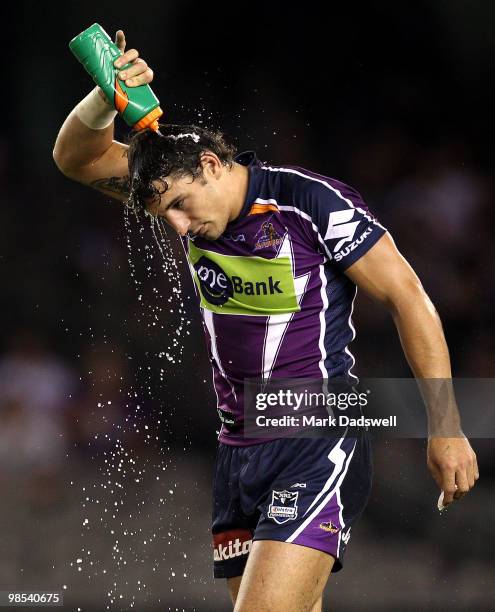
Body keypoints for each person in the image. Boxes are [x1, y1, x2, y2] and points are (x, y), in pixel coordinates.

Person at [53, 30, 479, 612]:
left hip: (316, 433)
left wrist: (447, 426)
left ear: (209, 164)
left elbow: (410, 298)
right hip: (239, 448)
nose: (175, 227)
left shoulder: (309, 204)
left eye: (179, 205)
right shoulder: (168, 179)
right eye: (161, 215)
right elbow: (74, 158)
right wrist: (107, 96)